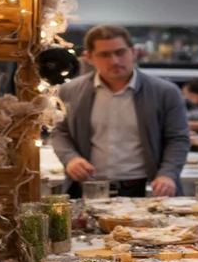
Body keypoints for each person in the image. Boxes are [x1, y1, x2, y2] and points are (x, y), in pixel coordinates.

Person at [50, 25, 190, 198]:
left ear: (133, 52)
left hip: (145, 189)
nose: (115, 61)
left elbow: (177, 138)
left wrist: (167, 174)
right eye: (104, 55)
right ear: (89, 57)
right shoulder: (69, 91)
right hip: (88, 188)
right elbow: (59, 132)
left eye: (120, 52)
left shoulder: (165, 92)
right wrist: (70, 158)